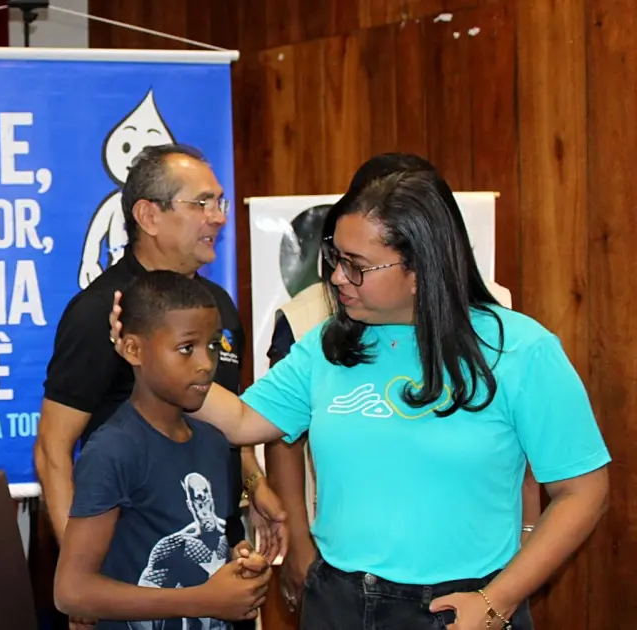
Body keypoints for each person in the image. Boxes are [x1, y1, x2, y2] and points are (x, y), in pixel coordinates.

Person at [108, 154, 611, 629]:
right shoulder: (329, 344)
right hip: (340, 603)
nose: (335, 277)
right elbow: (242, 420)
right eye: (334, 257)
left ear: (421, 268)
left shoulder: (519, 349)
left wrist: (497, 600)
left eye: (357, 265)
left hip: (458, 607)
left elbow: (583, 492)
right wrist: (153, 354)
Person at [262, 154, 541, 614]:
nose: (342, 276)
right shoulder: (311, 321)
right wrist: (300, 544)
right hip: (347, 573)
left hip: (471, 580)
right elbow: (271, 427)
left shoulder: (503, 329)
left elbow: (522, 452)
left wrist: (524, 546)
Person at [36, 144, 287, 584]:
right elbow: (52, 451)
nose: (218, 217)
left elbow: (231, 423)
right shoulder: (102, 311)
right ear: (149, 216)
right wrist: (81, 574)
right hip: (133, 564)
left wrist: (253, 487)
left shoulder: (220, 308)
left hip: (219, 556)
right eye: (201, 203)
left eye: (219, 202)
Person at [54, 270, 272, 629]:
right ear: (133, 349)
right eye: (187, 348)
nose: (205, 364)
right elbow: (72, 590)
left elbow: (208, 547)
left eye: (213, 345)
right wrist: (204, 599)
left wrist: (237, 565)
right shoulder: (114, 449)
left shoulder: (214, 442)